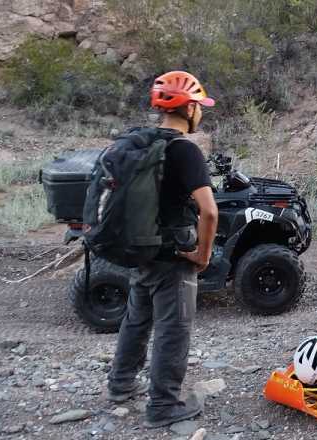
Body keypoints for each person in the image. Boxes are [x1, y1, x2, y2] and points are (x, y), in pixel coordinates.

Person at [105, 71, 219, 429]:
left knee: (137, 318)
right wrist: (201, 255)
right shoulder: (184, 149)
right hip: (173, 256)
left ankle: (120, 384)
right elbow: (210, 211)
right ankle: (163, 405)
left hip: (142, 247)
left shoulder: (141, 142)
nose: (201, 111)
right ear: (187, 108)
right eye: (198, 105)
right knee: (174, 327)